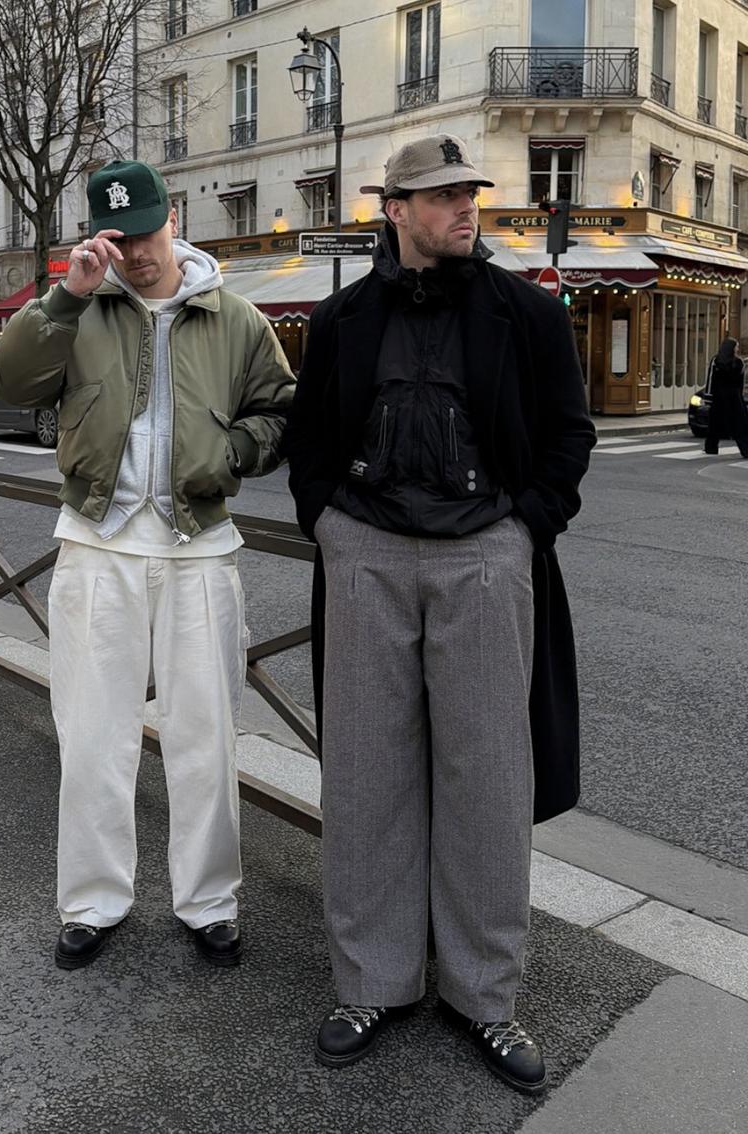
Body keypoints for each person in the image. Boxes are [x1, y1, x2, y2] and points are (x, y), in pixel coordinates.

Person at [283, 134, 595, 1094]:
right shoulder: (340, 318)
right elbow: (310, 440)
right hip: (367, 554)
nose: (464, 208)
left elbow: (568, 435)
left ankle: (484, 999)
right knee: (369, 773)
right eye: (441, 196)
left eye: (468, 192)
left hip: (484, 558)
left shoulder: (527, 315)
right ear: (396, 210)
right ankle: (372, 981)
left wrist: (523, 531)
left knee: (488, 778)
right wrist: (330, 526)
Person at [0, 159, 295, 970]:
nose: (141, 254)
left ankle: (209, 902)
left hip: (200, 548)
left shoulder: (234, 317)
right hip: (97, 543)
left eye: (151, 233)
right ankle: (92, 901)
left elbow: (279, 411)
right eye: (122, 240)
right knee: (92, 736)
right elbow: (9, 382)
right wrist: (64, 295)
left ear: (175, 219)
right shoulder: (80, 307)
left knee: (207, 738)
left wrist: (231, 450)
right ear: (100, 238)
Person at [704, 336, 748, 457]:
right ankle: (745, 450)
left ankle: (711, 448)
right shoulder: (739, 363)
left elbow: (711, 380)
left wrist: (708, 397)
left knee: (715, 424)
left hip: (719, 397)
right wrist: (740, 397)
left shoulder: (716, 361)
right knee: (740, 425)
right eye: (737, 346)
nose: (738, 349)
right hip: (734, 397)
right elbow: (740, 383)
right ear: (732, 348)